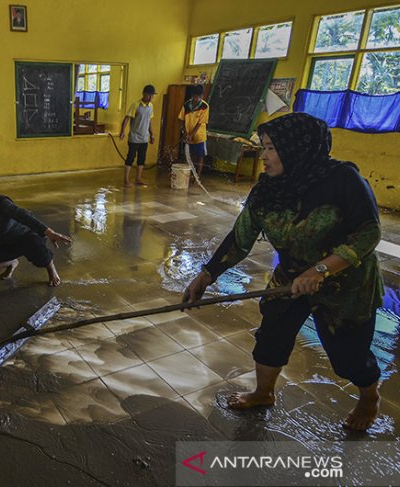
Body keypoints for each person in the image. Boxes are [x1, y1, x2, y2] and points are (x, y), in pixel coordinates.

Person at [183, 112, 383, 431]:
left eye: (271, 148)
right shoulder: (268, 190)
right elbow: (241, 237)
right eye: (263, 147)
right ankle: (263, 393)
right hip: (291, 278)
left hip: (345, 285)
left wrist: (320, 270)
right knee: (271, 336)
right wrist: (206, 275)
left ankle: (369, 397)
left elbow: (368, 234)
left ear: (296, 148)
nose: (263, 155)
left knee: (348, 354)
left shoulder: (344, 181)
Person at [119, 85, 156, 188]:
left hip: (144, 138)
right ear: (144, 94)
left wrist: (152, 134)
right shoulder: (136, 105)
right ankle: (126, 180)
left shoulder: (151, 106)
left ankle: (138, 178)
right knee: (130, 158)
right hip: (134, 138)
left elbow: (149, 121)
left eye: (153, 95)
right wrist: (122, 131)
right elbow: (127, 118)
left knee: (141, 159)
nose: (151, 97)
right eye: (150, 95)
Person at [178, 84, 209, 178]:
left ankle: (197, 176)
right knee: (189, 155)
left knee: (200, 156)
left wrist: (191, 134)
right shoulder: (186, 105)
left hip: (199, 136)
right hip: (188, 135)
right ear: (192, 95)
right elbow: (181, 119)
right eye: (195, 96)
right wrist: (184, 132)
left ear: (202, 96)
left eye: (199, 97)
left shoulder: (205, 106)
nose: (197, 98)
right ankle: (189, 174)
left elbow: (200, 123)